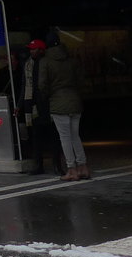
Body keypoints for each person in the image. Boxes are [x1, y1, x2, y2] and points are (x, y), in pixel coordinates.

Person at [40, 35, 88, 180]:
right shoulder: (72, 60)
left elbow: (42, 85)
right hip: (74, 100)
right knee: (75, 136)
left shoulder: (45, 62)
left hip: (58, 102)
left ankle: (71, 170)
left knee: (65, 138)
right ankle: (83, 167)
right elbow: (81, 80)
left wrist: (49, 96)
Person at [20, 39, 61, 175]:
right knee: (36, 135)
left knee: (53, 135)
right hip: (33, 103)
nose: (32, 51)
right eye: (31, 49)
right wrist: (21, 104)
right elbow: (24, 85)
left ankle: (57, 164)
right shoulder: (28, 64)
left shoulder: (48, 63)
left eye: (34, 49)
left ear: (42, 50)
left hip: (48, 101)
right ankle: (39, 164)